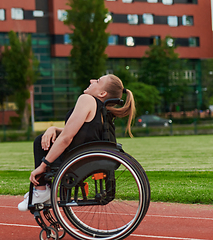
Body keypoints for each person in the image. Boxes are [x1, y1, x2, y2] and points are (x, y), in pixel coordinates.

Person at [18, 74, 135, 211]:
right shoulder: (102, 109)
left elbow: (67, 137)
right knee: (47, 137)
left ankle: (42, 190)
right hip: (90, 158)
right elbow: (82, 132)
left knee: (40, 141)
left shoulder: (87, 100)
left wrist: (43, 165)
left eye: (97, 81)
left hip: (76, 158)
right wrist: (54, 129)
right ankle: (46, 190)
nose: (91, 80)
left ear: (102, 93)